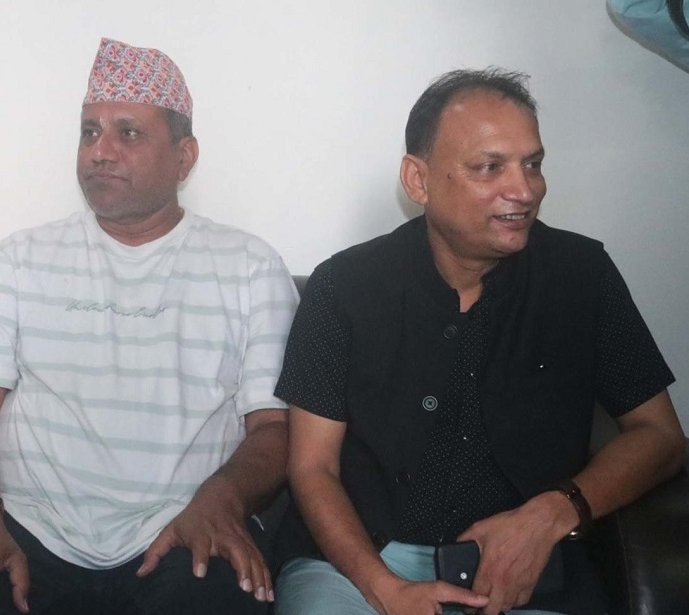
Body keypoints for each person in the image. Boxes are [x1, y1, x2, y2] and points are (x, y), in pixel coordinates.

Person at [0, 38, 299, 615]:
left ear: (184, 157)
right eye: (89, 132)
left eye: (128, 133)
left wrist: (221, 500)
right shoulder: (20, 259)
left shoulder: (250, 268)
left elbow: (273, 429)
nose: (100, 152)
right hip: (24, 530)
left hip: (187, 527)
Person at [273, 68, 685, 615]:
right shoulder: (343, 287)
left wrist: (552, 513)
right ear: (418, 180)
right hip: (357, 568)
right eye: (490, 167)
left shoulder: (581, 277)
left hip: (528, 571)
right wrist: (384, 589)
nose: (525, 191)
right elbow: (313, 468)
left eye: (532, 164)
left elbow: (660, 435)